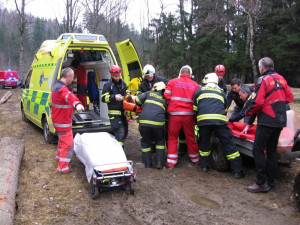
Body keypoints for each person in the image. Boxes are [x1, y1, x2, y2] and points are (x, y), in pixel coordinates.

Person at [245, 57, 294, 193]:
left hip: (267, 120)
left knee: (258, 150)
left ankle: (261, 182)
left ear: (261, 68)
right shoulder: (282, 79)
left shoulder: (263, 80)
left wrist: (248, 112)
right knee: (272, 151)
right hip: (280, 120)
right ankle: (271, 183)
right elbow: (289, 98)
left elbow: (258, 102)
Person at [193, 73, 244, 179]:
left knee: (204, 143)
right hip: (219, 121)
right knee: (228, 144)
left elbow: (194, 108)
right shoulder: (221, 92)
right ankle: (237, 171)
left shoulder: (199, 90)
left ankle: (205, 167)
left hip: (203, 121)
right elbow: (225, 109)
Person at [164, 65, 200, 168]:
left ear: (180, 73)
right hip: (189, 116)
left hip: (175, 115)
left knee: (172, 137)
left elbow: (166, 96)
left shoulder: (172, 82)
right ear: (190, 74)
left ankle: (171, 161)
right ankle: (195, 159)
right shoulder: (196, 85)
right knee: (191, 137)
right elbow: (197, 101)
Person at [51, 67, 84, 173]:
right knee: (69, 144)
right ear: (68, 76)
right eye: (73, 77)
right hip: (63, 122)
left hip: (58, 120)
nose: (73, 79)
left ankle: (59, 157)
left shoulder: (56, 86)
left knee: (61, 141)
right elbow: (69, 97)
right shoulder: (63, 89)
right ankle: (62, 167)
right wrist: (78, 104)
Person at [135, 81, 167, 169]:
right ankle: (159, 162)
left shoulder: (148, 93)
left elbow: (137, 101)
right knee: (160, 141)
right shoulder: (164, 99)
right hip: (158, 124)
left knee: (145, 142)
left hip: (145, 123)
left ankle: (148, 163)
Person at [101, 65, 129, 148]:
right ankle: (119, 155)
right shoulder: (108, 85)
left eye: (118, 76)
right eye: (115, 76)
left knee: (125, 133)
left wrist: (128, 95)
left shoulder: (122, 83)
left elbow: (126, 91)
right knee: (120, 133)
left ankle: (114, 148)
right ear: (111, 75)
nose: (117, 78)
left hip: (123, 113)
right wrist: (114, 97)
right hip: (114, 114)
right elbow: (103, 98)